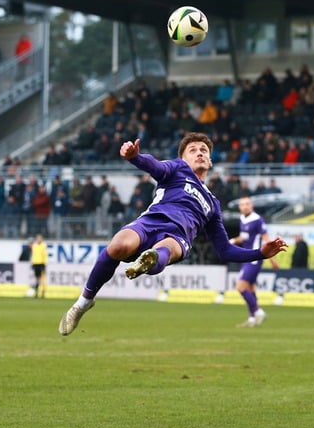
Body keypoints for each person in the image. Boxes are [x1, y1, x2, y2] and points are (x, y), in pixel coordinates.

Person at [58, 132, 288, 336]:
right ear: (184, 158)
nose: (199, 153)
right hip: (150, 222)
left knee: (164, 249)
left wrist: (260, 253)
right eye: (193, 150)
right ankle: (83, 302)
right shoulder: (177, 169)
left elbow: (225, 250)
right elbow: (155, 166)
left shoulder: (213, 204)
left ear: (210, 161)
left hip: (178, 237)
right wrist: (135, 157)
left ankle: (148, 261)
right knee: (117, 246)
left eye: (204, 150)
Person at [230, 196, 279, 327]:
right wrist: (233, 241)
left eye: (247, 204)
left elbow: (267, 239)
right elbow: (244, 237)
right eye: (242, 204)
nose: (245, 206)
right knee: (250, 288)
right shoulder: (242, 219)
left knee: (240, 287)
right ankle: (252, 318)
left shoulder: (257, 220)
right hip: (246, 257)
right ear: (240, 207)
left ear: (252, 206)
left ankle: (258, 311)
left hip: (254, 259)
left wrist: (272, 259)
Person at [30, 234, 48, 298]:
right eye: (38, 238)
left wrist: (45, 263)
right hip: (36, 264)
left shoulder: (43, 246)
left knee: (43, 279)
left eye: (40, 238)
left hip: (42, 264)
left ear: (42, 239)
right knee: (37, 279)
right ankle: (36, 292)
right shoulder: (34, 246)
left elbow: (45, 255)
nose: (39, 240)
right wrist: (32, 263)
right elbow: (33, 255)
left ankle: (43, 293)